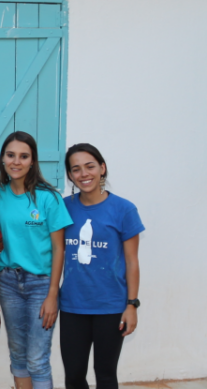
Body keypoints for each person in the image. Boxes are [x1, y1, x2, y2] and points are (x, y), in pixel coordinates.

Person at [0, 132, 72, 389]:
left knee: (37, 358)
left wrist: (52, 295)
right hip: (10, 282)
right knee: (19, 355)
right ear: (2, 158)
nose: (16, 161)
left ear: (33, 161)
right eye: (11, 155)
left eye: (23, 156)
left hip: (41, 285)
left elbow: (60, 249)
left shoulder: (49, 197)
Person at [58, 144, 144, 389]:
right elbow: (55, 250)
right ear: (70, 176)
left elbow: (132, 261)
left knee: (105, 375)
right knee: (73, 376)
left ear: (102, 168)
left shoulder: (124, 209)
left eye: (90, 166)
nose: (84, 174)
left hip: (111, 306)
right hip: (73, 305)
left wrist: (132, 305)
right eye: (76, 169)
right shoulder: (63, 207)